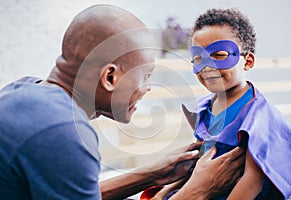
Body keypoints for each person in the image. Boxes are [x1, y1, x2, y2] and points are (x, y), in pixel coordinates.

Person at [0, 4, 246, 200]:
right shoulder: (62, 131)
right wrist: (198, 191)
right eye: (146, 76)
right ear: (110, 77)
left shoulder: (24, 90)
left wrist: (152, 174)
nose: (149, 87)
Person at [151, 8, 291, 200]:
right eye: (198, 58)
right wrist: (162, 194)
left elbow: (253, 179)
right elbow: (199, 164)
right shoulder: (203, 110)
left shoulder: (257, 118)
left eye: (219, 55)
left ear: (247, 62)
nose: (207, 66)